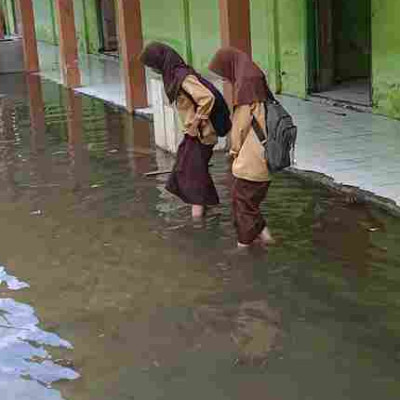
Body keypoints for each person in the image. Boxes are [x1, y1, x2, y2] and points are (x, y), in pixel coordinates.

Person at [140, 42, 219, 220]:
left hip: (201, 134)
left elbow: (207, 97)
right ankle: (206, 210)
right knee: (187, 169)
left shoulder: (183, 77)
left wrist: (195, 123)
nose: (153, 70)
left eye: (152, 66)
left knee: (192, 174)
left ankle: (197, 221)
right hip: (193, 133)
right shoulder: (175, 75)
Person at [209, 47, 275, 248]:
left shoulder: (246, 86)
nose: (226, 79)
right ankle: (267, 239)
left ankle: (243, 247)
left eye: (225, 74)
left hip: (252, 158)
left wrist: (233, 152)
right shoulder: (256, 79)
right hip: (266, 154)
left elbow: (239, 128)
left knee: (241, 203)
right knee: (249, 203)